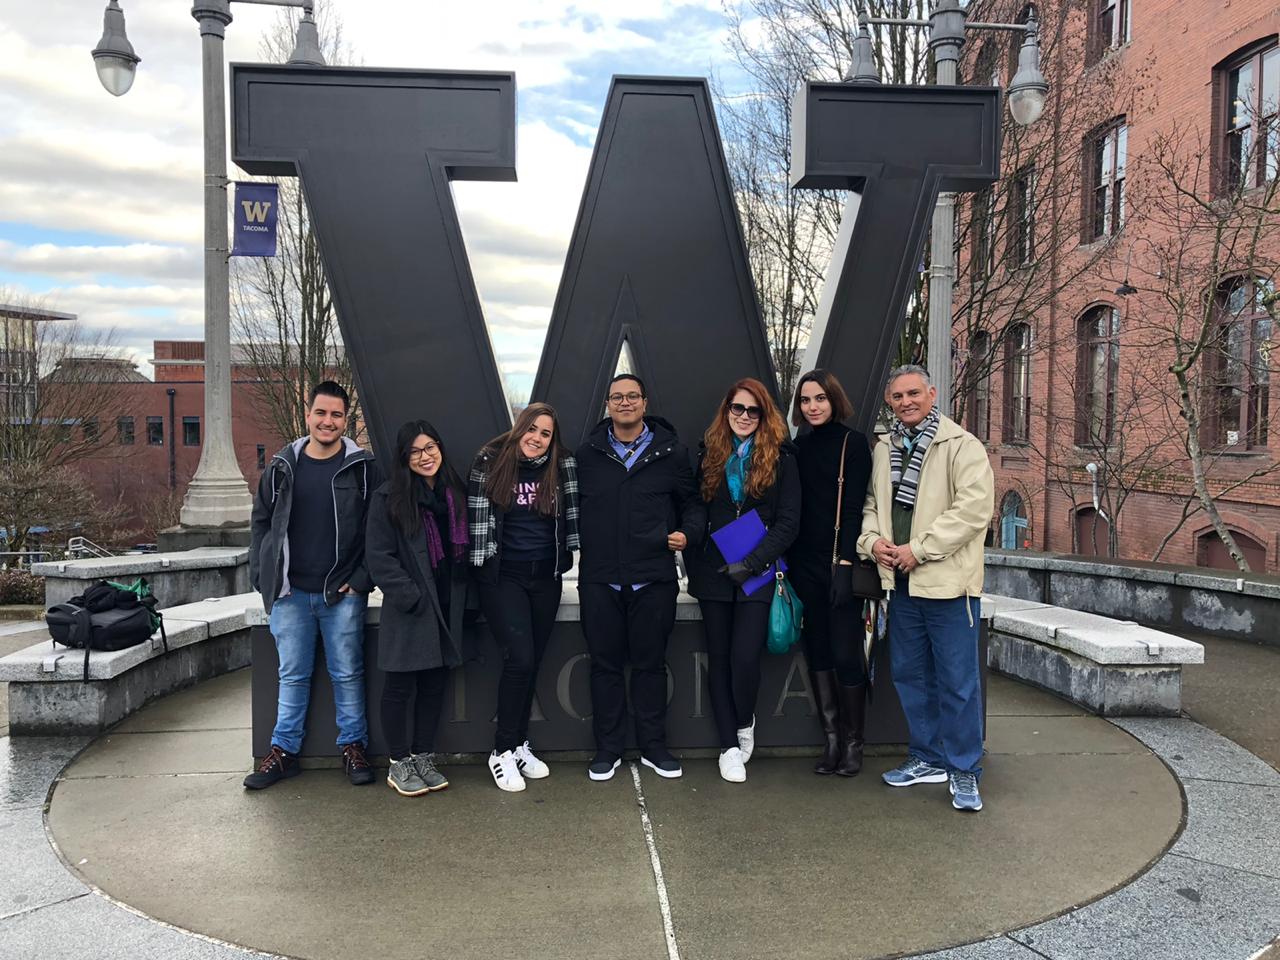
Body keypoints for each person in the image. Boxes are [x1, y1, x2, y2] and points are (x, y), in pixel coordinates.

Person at [858, 364, 994, 812]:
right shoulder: (885, 448)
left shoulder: (962, 446)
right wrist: (872, 541)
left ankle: (964, 769)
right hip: (900, 586)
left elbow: (972, 512)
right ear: (889, 401)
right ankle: (927, 757)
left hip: (949, 588)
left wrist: (919, 549)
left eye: (914, 393)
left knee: (958, 683)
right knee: (911, 677)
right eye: (898, 396)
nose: (906, 402)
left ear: (932, 394)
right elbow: (873, 503)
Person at [245, 381, 379, 790]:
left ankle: (353, 747)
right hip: (290, 594)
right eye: (321, 412)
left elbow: (378, 531)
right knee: (292, 676)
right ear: (308, 415)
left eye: (336, 414)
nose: (328, 421)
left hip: (341, 594)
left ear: (345, 420)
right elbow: (261, 523)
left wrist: (361, 580)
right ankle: (283, 752)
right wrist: (263, 576)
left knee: (348, 674)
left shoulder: (363, 469)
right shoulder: (282, 467)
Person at [575, 373, 703, 781]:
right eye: (617, 397)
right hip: (600, 579)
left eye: (632, 396)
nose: (625, 402)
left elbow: (693, 504)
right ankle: (608, 749)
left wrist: (688, 532)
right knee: (605, 667)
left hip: (653, 578)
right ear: (608, 405)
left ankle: (653, 747)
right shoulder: (587, 454)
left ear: (645, 402)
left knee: (650, 666)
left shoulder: (672, 453)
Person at [687, 378, 800, 783]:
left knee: (745, 657)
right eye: (738, 408)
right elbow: (697, 509)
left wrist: (751, 563)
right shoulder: (708, 454)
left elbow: (788, 522)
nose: (745, 416)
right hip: (714, 572)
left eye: (754, 410)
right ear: (727, 410)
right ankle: (728, 747)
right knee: (718, 658)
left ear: (764, 415)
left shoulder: (782, 459)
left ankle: (743, 721)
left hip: (759, 571)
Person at [468, 403, 579, 793]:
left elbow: (573, 516)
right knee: (520, 659)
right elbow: (476, 521)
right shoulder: (490, 461)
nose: (537, 438)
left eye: (545, 433)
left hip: (546, 575)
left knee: (533, 663)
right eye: (532, 429)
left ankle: (518, 744)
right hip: (504, 576)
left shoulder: (562, 466)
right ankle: (501, 750)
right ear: (519, 428)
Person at [364, 420, 470, 797]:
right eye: (415, 451)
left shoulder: (454, 493)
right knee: (399, 686)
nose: (425, 457)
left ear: (440, 447)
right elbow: (379, 557)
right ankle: (399, 762)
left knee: (433, 687)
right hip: (412, 607)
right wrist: (410, 595)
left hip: (447, 605)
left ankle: (423, 756)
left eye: (430, 448)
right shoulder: (389, 498)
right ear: (403, 457)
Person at [790, 369, 874, 777]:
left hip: (838, 563)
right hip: (802, 564)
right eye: (806, 400)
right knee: (817, 650)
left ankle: (854, 742)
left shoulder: (853, 444)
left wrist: (845, 563)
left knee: (845, 652)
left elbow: (854, 507)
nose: (813, 407)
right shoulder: (797, 447)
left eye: (820, 398)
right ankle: (832, 741)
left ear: (833, 400)